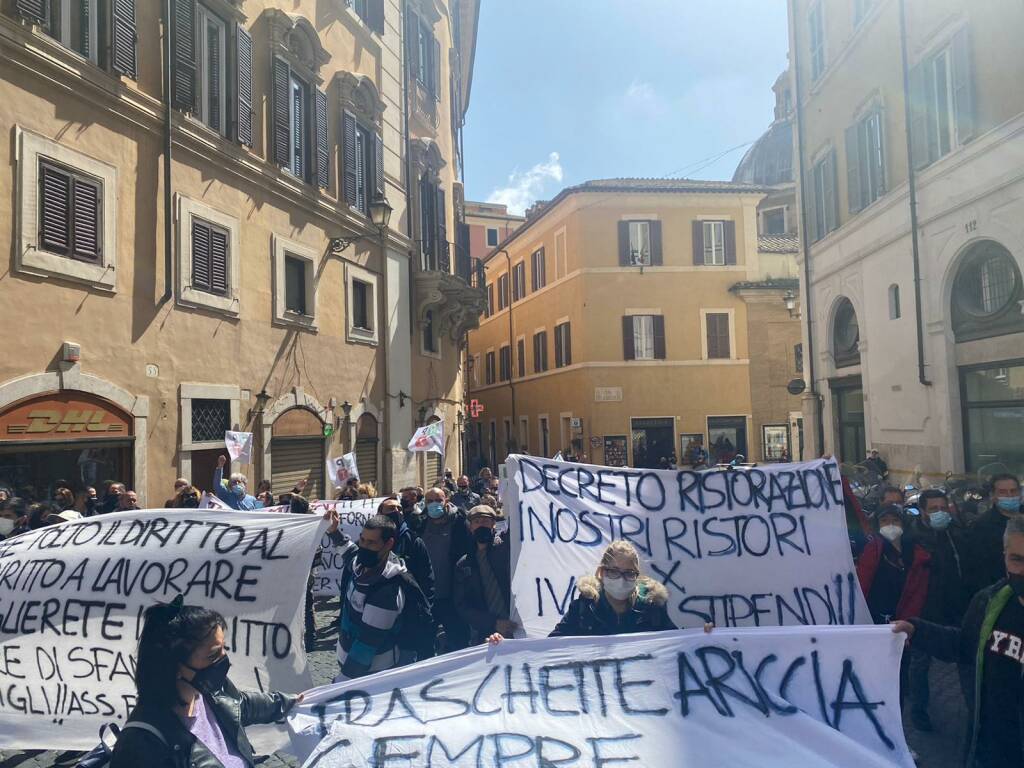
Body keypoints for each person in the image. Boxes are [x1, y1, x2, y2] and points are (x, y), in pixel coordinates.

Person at [893, 514, 1024, 768]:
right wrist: (917, 631)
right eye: (1017, 559)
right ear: (1004, 556)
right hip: (992, 747)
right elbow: (966, 645)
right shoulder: (989, 602)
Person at [109, 597, 300, 768]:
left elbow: (240, 705)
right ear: (174, 665)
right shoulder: (140, 745)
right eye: (213, 655)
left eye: (223, 649)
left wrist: (292, 702)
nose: (224, 660)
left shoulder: (208, 691)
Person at [491, 541, 677, 642]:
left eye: (629, 573)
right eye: (613, 571)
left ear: (636, 576)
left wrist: (704, 637)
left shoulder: (652, 608)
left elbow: (678, 645)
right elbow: (550, 647)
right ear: (602, 572)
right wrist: (506, 648)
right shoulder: (584, 608)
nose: (621, 579)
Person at [905, 489, 971, 732]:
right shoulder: (912, 538)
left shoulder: (956, 533)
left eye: (943, 508)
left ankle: (973, 708)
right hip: (924, 611)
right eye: (934, 509)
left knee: (966, 661)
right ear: (922, 511)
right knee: (920, 664)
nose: (940, 513)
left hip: (956, 609)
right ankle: (918, 710)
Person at [335, 515, 426, 681]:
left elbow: (367, 645)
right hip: (349, 663)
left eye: (371, 543)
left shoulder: (387, 592)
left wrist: (341, 682)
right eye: (362, 540)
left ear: (389, 544)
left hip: (370, 674)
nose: (363, 546)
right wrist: (333, 531)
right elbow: (349, 553)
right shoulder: (362, 565)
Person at [857, 504, 930, 626]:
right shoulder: (872, 550)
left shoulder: (918, 552)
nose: (890, 525)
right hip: (875, 619)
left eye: (895, 520)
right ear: (877, 524)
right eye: (884, 520)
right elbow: (863, 583)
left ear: (903, 523)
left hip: (909, 619)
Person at [420, 488, 474, 651]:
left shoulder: (460, 523)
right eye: (429, 501)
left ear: (446, 500)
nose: (433, 504)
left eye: (438, 500)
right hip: (428, 595)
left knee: (458, 641)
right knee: (424, 641)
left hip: (453, 594)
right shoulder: (420, 523)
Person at [454, 505, 514, 644]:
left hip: (518, 622)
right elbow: (462, 604)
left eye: (486, 521)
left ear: (494, 524)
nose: (481, 525)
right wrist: (493, 623)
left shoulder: (506, 549)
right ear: (471, 527)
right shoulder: (464, 564)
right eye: (477, 522)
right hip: (487, 630)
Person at [966, 474, 1022, 595]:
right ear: (993, 496)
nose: (1009, 496)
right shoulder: (981, 527)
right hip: (1001, 591)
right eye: (1003, 492)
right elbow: (979, 569)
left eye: (1013, 491)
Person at [377, 498, 435, 612]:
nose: (397, 511)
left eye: (399, 508)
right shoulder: (370, 539)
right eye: (391, 508)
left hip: (409, 606)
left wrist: (426, 605)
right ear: (380, 514)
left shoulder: (413, 541)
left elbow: (427, 575)